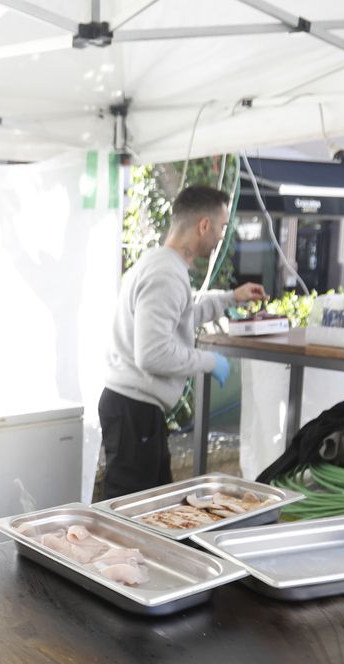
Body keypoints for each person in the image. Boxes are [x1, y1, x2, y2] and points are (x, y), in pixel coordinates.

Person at [98, 185, 266, 499]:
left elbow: (182, 313)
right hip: (135, 412)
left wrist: (231, 298)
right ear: (204, 225)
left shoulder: (163, 265)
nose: (220, 237)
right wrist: (208, 361)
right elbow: (153, 353)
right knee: (131, 513)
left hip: (135, 409)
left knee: (154, 506)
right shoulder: (165, 273)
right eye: (220, 228)